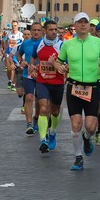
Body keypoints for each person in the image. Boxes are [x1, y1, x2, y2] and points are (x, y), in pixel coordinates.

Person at [55, 13, 100, 171]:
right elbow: (59, 63)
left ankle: (87, 138)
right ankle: (78, 157)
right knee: (76, 123)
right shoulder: (67, 44)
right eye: (80, 22)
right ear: (75, 25)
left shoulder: (98, 42)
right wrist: (61, 67)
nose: (83, 25)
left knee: (91, 127)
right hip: (74, 87)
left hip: (92, 87)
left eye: (86, 22)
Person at [29, 20, 64, 156]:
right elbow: (33, 59)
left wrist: (62, 66)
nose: (54, 32)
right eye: (51, 30)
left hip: (58, 83)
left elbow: (67, 64)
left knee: (55, 111)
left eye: (56, 29)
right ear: (45, 31)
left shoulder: (62, 46)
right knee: (43, 108)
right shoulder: (38, 45)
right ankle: (43, 140)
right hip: (42, 81)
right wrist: (32, 68)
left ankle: (53, 132)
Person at [17, 25, 42, 135]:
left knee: (38, 100)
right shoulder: (26, 43)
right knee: (29, 97)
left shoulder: (45, 43)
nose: (36, 32)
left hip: (42, 75)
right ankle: (29, 124)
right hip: (28, 74)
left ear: (42, 31)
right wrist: (21, 61)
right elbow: (19, 54)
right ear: (31, 31)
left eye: (38, 30)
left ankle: (36, 118)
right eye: (34, 30)